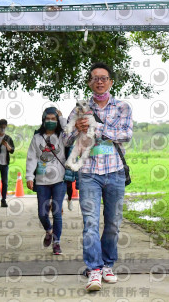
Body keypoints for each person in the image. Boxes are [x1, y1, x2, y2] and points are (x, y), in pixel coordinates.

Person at [66, 62, 133, 292]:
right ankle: (94, 269)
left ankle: (108, 265)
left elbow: (126, 135)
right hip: (88, 173)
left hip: (114, 172)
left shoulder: (122, 107)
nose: (99, 81)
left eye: (104, 78)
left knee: (113, 223)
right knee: (91, 223)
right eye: (95, 78)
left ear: (111, 82)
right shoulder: (79, 109)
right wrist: (77, 128)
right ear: (89, 83)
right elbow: (65, 140)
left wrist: (98, 129)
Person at [25, 107, 68, 255]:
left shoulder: (63, 136)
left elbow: (70, 132)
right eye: (48, 119)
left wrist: (62, 118)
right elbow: (32, 158)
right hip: (41, 180)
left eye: (53, 119)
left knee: (57, 212)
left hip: (59, 180)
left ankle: (57, 242)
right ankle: (49, 231)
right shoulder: (37, 138)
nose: (50, 121)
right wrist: (29, 176)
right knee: (42, 213)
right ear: (43, 120)